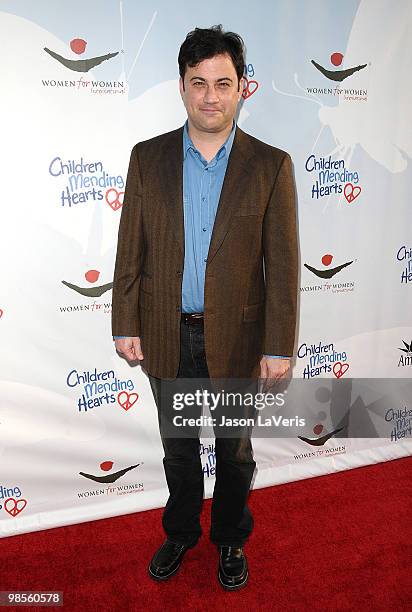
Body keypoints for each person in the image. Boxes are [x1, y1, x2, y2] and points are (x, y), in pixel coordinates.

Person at [112, 25, 298, 590]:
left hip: (240, 341)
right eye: (199, 83)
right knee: (178, 449)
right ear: (182, 87)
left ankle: (229, 539)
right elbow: (131, 248)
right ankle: (180, 532)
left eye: (223, 82)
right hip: (167, 334)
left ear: (243, 86)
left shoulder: (271, 166)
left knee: (235, 454)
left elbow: (284, 267)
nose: (210, 96)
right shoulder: (147, 159)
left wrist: (277, 345)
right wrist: (125, 322)